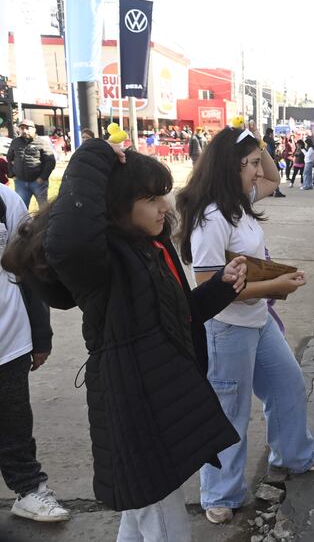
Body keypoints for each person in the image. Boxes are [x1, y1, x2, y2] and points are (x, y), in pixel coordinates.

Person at [19, 138, 248, 541]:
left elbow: (178, 315)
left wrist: (221, 289)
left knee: (143, 512)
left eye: (163, 194)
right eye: (150, 198)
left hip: (161, 400)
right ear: (116, 205)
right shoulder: (102, 263)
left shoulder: (151, 247)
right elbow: (68, 240)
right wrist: (94, 154)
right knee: (162, 516)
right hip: (136, 408)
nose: (165, 206)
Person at [176, 126, 314, 525]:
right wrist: (273, 286)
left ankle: (293, 455)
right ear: (232, 167)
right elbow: (209, 289)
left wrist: (258, 144)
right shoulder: (211, 218)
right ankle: (220, 493)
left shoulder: (238, 201)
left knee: (287, 383)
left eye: (257, 163)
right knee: (229, 413)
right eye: (251, 165)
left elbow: (276, 178)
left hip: (257, 322)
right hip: (227, 329)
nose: (259, 172)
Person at [0, 184, 69, 523]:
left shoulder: (5, 199)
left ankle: (29, 490)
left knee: (14, 422)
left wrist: (41, 334)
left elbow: (26, 264)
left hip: (7, 339)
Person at [6, 120, 56, 209]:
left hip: (38, 183)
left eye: (27, 128)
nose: (24, 131)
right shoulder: (15, 142)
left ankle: (45, 223)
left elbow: (50, 161)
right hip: (20, 183)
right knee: (21, 209)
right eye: (22, 128)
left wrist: (43, 178)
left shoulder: (42, 142)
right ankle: (24, 223)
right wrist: (12, 174)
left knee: (43, 210)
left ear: (34, 129)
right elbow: (9, 158)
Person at [262, 127, 285, 198]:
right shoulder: (271, 140)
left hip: (265, 159)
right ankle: (277, 191)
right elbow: (273, 151)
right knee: (275, 176)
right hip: (272, 159)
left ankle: (270, 191)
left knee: (268, 177)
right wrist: (276, 159)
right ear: (270, 133)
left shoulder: (263, 139)